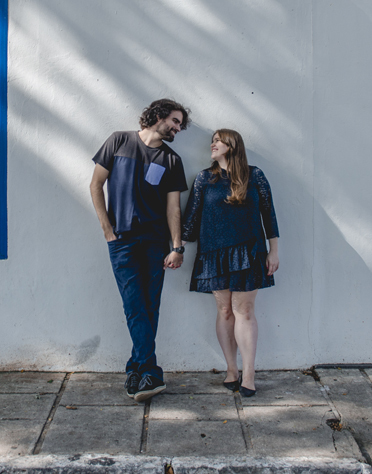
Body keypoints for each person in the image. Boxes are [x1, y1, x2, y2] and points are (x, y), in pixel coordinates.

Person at [90, 99, 190, 402]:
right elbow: (96, 185)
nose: (177, 128)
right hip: (121, 241)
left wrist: (177, 247)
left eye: (180, 125)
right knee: (134, 304)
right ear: (158, 115)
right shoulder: (119, 141)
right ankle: (151, 371)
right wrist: (107, 230)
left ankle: (136, 370)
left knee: (149, 306)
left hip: (155, 242)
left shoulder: (171, 160)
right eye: (174, 121)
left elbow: (174, 209)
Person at [181, 129, 279, 397]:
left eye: (218, 140)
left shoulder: (254, 174)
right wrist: (176, 246)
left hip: (250, 252)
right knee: (225, 311)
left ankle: (249, 373)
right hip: (214, 254)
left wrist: (274, 250)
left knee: (244, 311)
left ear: (233, 145)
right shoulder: (205, 178)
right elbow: (190, 218)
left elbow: (269, 214)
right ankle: (231, 369)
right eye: (212, 140)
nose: (212, 144)